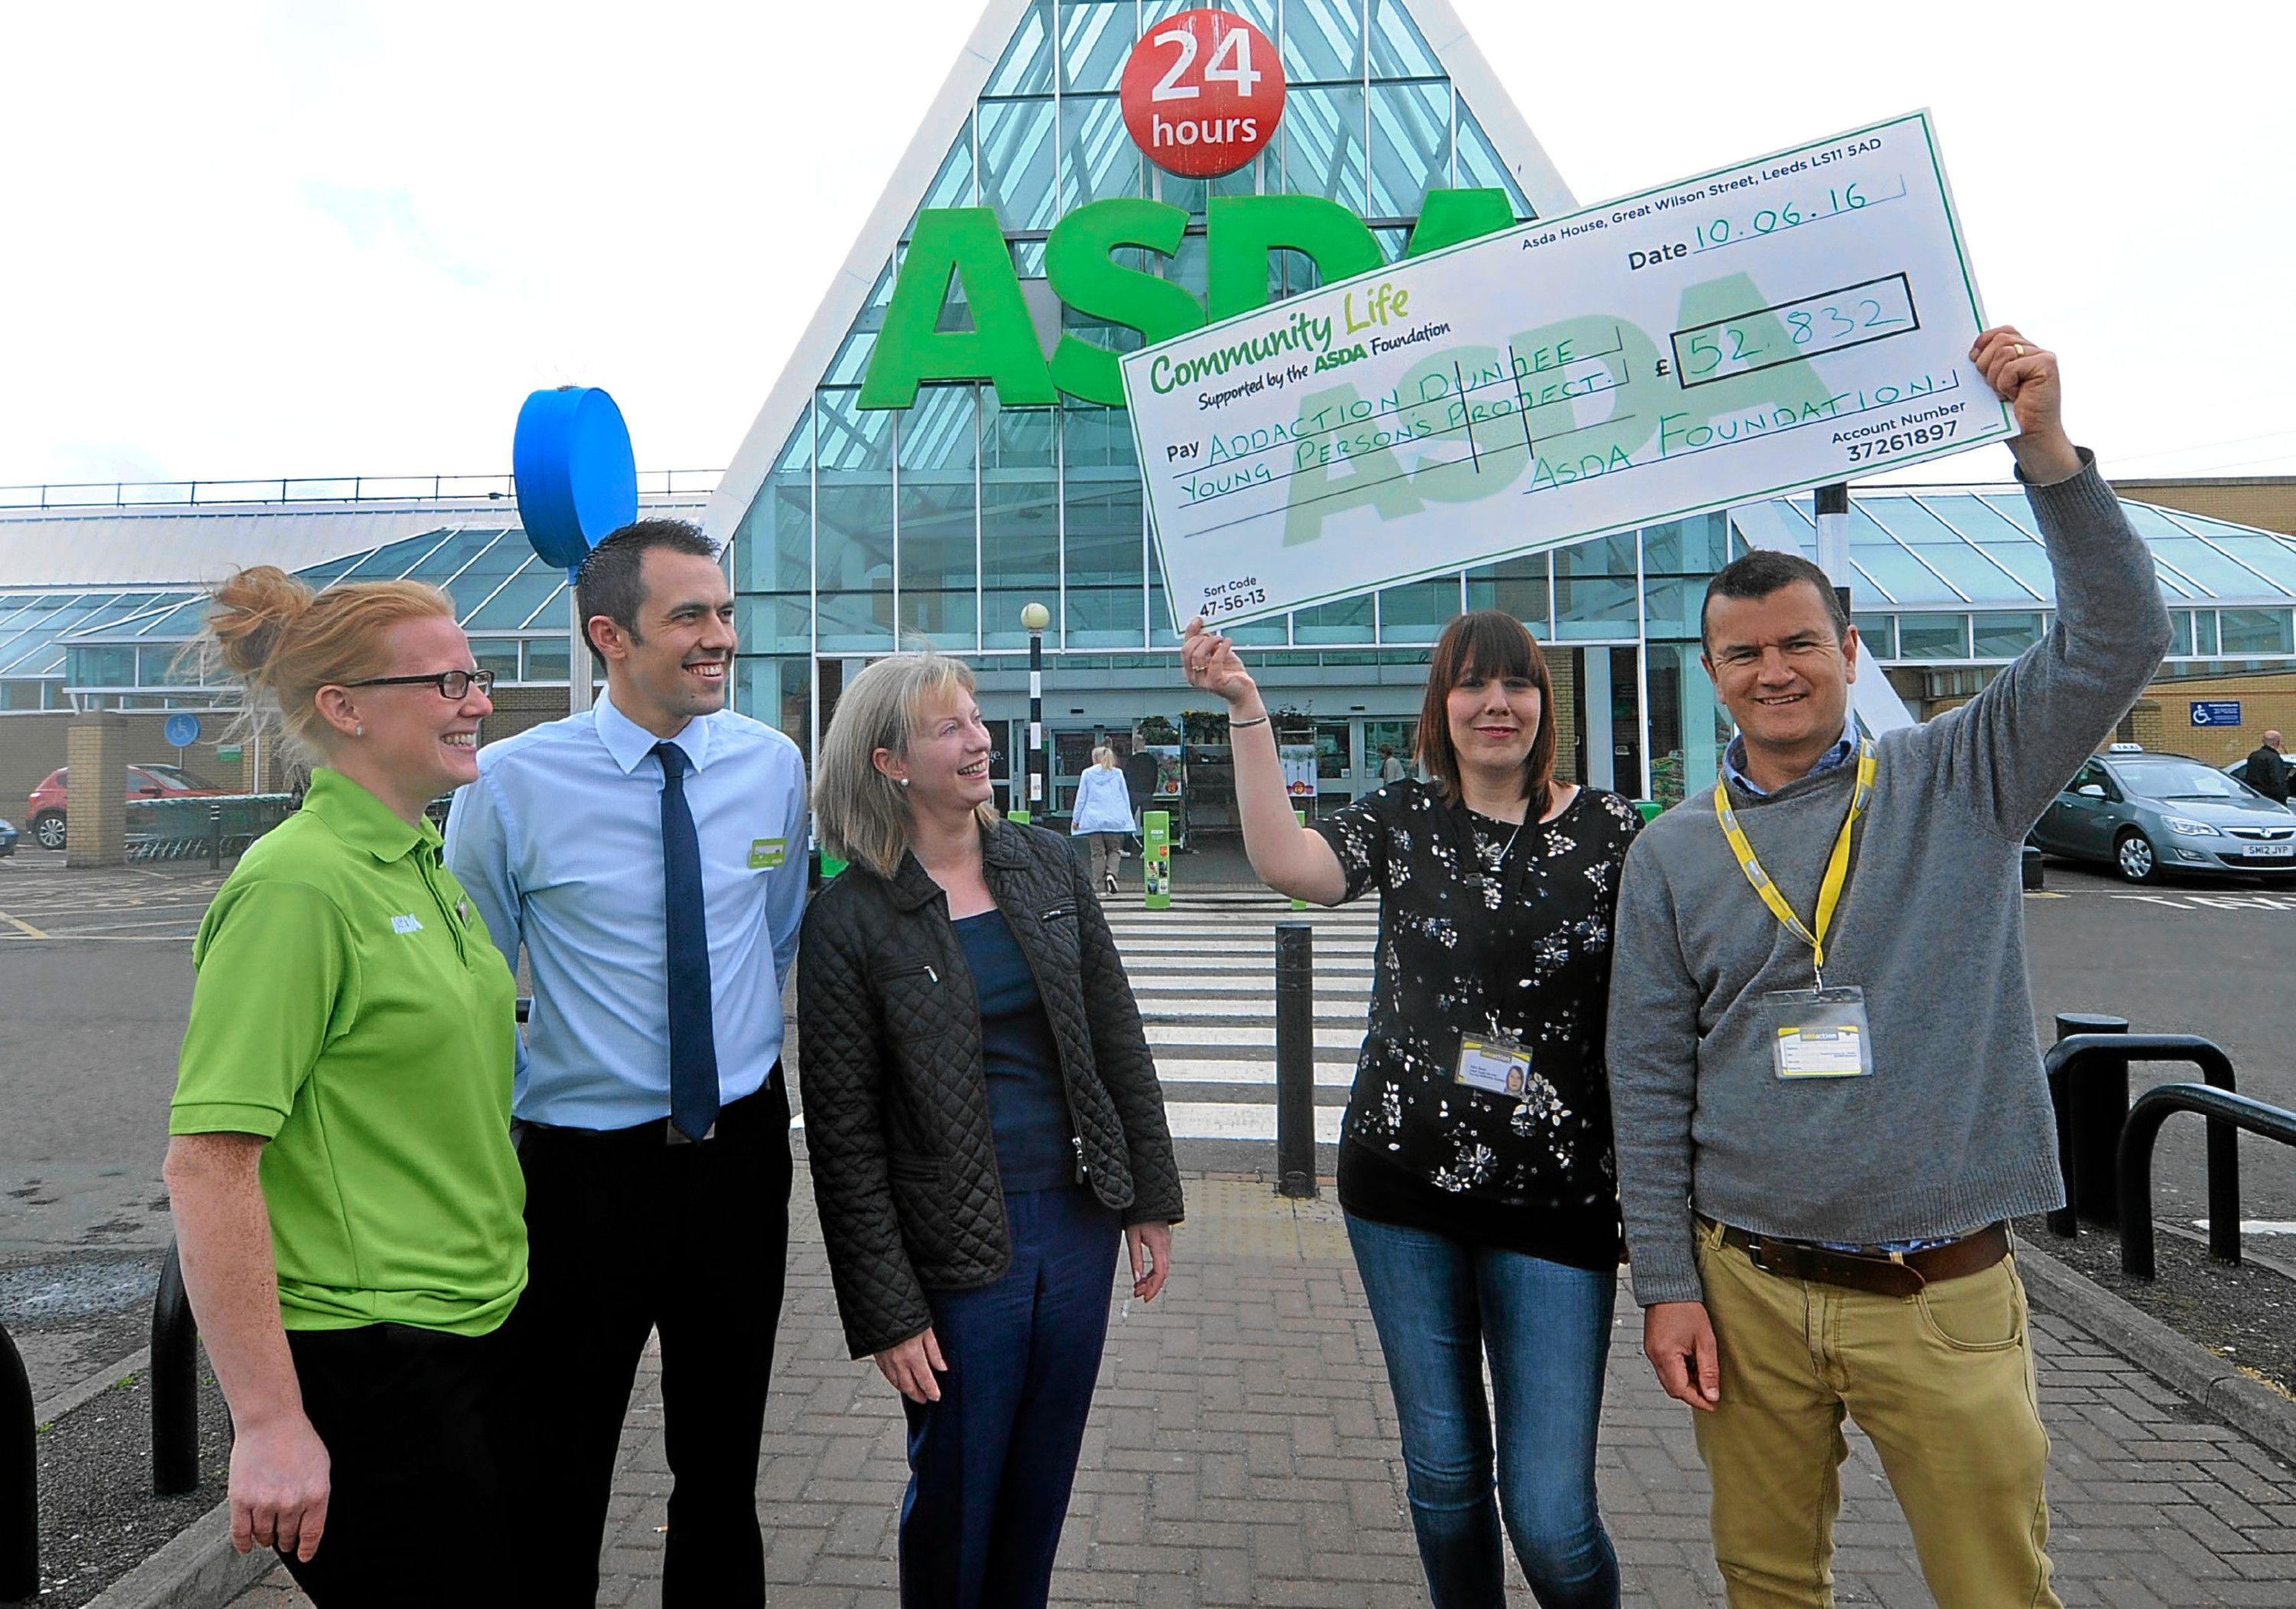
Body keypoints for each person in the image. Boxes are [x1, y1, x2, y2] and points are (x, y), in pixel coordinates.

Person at [1606, 328, 2171, 1608]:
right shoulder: (1677, 853)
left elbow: (2120, 637)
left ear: (1850, 654)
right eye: (1744, 653)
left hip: (1941, 1295)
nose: (1776, 670)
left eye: (1801, 642)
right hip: (1746, 1291)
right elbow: (1644, 1082)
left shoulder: (1959, 777)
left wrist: (2045, 450)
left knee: (1994, 1589)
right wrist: (1666, 1288)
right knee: (1766, 1584)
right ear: (1711, 678)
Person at [1182, 608, 1641, 1609]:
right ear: (1443, 704)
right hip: (1402, 1188)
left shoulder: (1620, 832)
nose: (1496, 702)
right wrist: (1246, 709)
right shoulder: (1403, 818)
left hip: (1558, 1206)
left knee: (1554, 1519)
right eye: (1473, 683)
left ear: (1542, 703)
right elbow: (1288, 864)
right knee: (1442, 1479)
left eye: (1516, 683)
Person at [444, 519, 808, 1607]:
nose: (721, 638)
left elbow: (774, 932)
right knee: (553, 1470)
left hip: (740, 1157)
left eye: (726, 612)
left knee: (722, 1467)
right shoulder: (509, 784)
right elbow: (472, 979)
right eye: (690, 616)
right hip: (579, 1176)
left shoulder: (770, 765)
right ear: (610, 634)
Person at [165, 567, 524, 1605]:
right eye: (447, 681)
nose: (479, 699)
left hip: (473, 1326)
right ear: (344, 707)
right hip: (371, 1363)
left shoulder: (418, 857)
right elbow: (208, 1163)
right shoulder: (297, 883)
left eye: (477, 673)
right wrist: (273, 1423)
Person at [797, 650, 1183, 1609]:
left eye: (977, 719)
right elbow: (843, 1136)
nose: (980, 741)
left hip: (1076, 1220)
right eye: (951, 727)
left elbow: (1113, 1033)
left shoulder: (1043, 860)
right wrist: (887, 1309)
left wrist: (1147, 1197)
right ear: (890, 761)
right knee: (958, 1493)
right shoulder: (850, 916)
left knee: (1040, 1485)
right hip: (954, 1243)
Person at [1069, 742, 1134, 894]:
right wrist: (1127, 819)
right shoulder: (1117, 773)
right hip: (1113, 820)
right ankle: (1111, 874)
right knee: (1114, 850)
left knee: (1097, 853)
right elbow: (1124, 798)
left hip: (1093, 820)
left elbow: (1081, 798)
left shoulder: (1087, 773)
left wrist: (1076, 819)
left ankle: (1099, 887)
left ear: (1095, 758)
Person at [2242, 730, 2288, 803]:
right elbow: (2278, 781)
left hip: (2255, 797)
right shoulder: (2274, 758)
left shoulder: (2253, 756)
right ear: (2278, 743)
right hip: (2271, 799)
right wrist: (2282, 799)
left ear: (2263, 741)